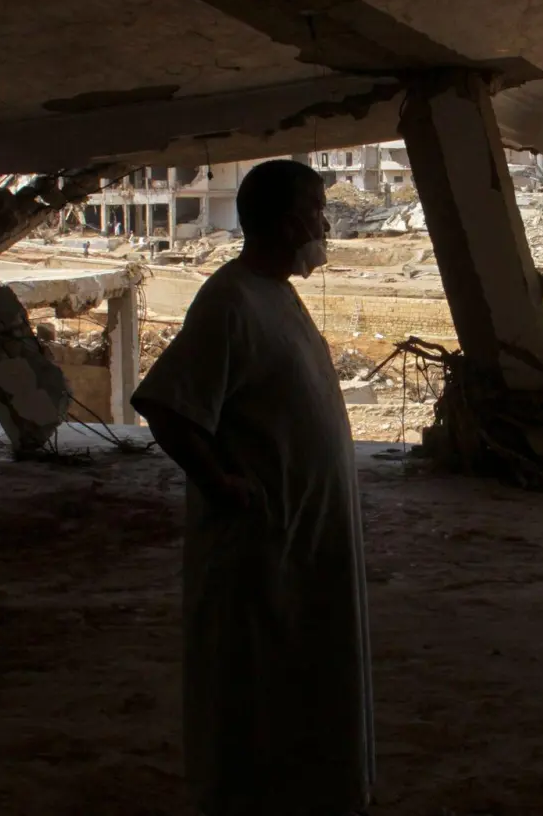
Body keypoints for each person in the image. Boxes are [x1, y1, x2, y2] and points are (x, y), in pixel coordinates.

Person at [132, 160, 373, 815]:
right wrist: (221, 484)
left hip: (303, 543)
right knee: (255, 689)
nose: (326, 225)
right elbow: (168, 405)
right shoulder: (230, 301)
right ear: (291, 220)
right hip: (262, 548)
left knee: (303, 682)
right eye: (320, 212)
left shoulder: (277, 293)